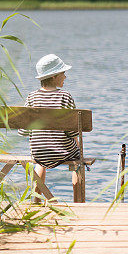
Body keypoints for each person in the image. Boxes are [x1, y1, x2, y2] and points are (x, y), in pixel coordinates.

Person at [21, 54, 82, 200]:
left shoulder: (31, 97)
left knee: (40, 161)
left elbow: (23, 130)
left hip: (38, 152)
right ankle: (78, 201)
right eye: (63, 73)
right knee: (78, 159)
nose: (65, 77)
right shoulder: (65, 96)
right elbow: (72, 131)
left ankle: (36, 200)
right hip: (62, 152)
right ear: (54, 76)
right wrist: (78, 147)